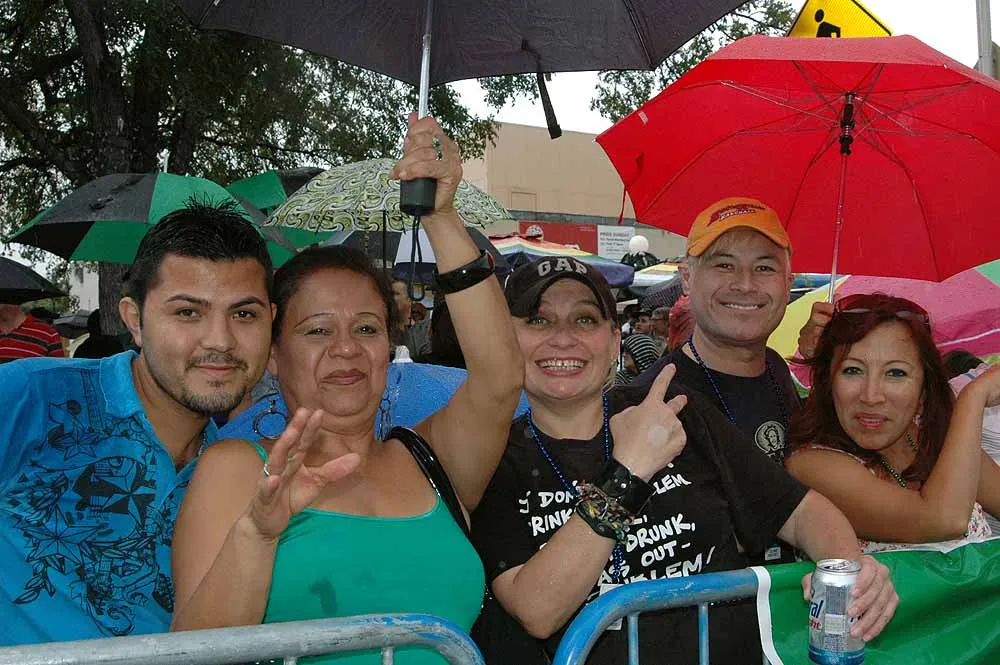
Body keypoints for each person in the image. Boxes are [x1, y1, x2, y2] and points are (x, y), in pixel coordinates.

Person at [170, 117, 524, 665]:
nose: (345, 349)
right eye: (317, 331)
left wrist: (442, 216)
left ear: (389, 346)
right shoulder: (236, 469)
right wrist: (257, 537)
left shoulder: (433, 462)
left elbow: (500, 377)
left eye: (366, 328)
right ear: (273, 354)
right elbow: (192, 652)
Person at [471, 256, 896, 665]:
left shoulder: (675, 409)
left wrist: (850, 570)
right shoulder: (490, 456)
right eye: (539, 320)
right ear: (508, 340)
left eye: (585, 319)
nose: (563, 338)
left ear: (615, 340)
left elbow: (801, 512)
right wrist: (629, 472)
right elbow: (537, 610)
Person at [0, 202, 274, 644]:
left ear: (271, 322)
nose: (220, 341)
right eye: (187, 312)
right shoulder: (32, 398)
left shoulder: (238, 471)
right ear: (135, 320)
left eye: (244, 314)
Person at [785, 294, 1000, 553]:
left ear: (924, 388)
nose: (871, 396)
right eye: (852, 370)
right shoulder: (812, 465)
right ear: (828, 381)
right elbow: (943, 520)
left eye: (895, 373)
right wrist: (973, 398)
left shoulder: (931, 437)